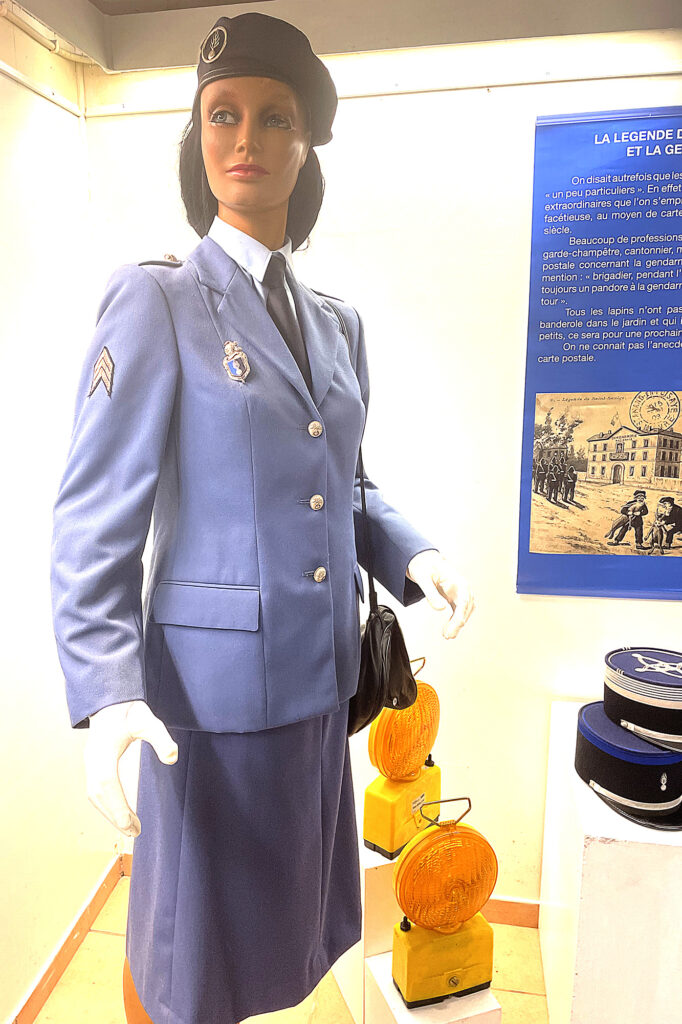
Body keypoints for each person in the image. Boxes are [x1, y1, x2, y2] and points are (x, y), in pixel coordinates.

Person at [49, 13, 475, 1024]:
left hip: (319, 690)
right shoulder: (156, 304)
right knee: (184, 951)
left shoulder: (337, 323)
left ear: (304, 142)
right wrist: (106, 688)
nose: (246, 138)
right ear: (199, 142)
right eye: (222, 115)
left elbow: (347, 484)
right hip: (208, 703)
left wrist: (417, 553)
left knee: (278, 940)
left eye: (273, 118)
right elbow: (93, 518)